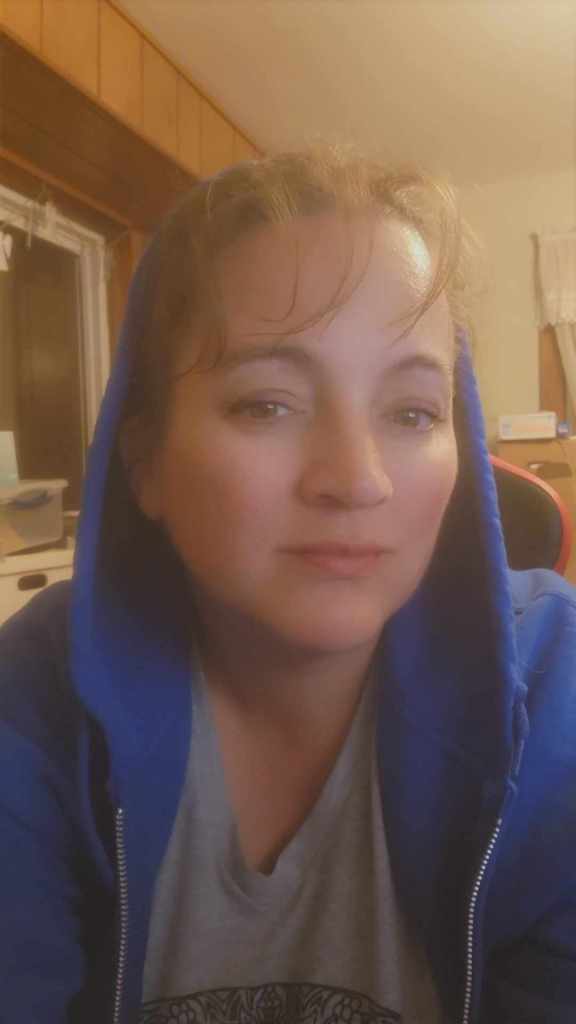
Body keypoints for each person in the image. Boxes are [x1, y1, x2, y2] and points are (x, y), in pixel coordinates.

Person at [1, 144, 575, 1024]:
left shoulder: (557, 693)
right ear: (144, 460)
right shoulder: (41, 691)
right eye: (266, 403)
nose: (358, 480)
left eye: (412, 412)